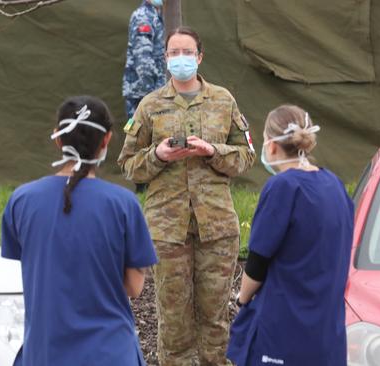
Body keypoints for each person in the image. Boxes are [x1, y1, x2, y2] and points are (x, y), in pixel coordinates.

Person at [118, 26, 256, 366]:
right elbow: (128, 166)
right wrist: (158, 156)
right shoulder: (150, 106)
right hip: (167, 230)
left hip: (217, 228)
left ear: (200, 56)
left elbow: (246, 156)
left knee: (214, 319)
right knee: (174, 321)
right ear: (165, 59)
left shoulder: (223, 101)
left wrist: (213, 151)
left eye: (187, 52)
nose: (181, 59)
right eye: (174, 53)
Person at [1, 95, 158, 366]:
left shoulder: (22, 200)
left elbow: (32, 268)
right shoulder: (123, 205)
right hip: (110, 353)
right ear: (107, 140)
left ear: (57, 139)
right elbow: (133, 287)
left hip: (45, 353)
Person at [226, 105, 354, 366]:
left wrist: (241, 299)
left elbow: (258, 262)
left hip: (283, 330)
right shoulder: (334, 185)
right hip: (326, 331)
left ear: (271, 146)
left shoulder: (282, 187)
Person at [123, 0, 167, 120]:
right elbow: (143, 59)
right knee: (137, 134)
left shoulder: (155, 15)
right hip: (143, 92)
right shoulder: (144, 16)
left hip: (149, 91)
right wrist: (154, 94)